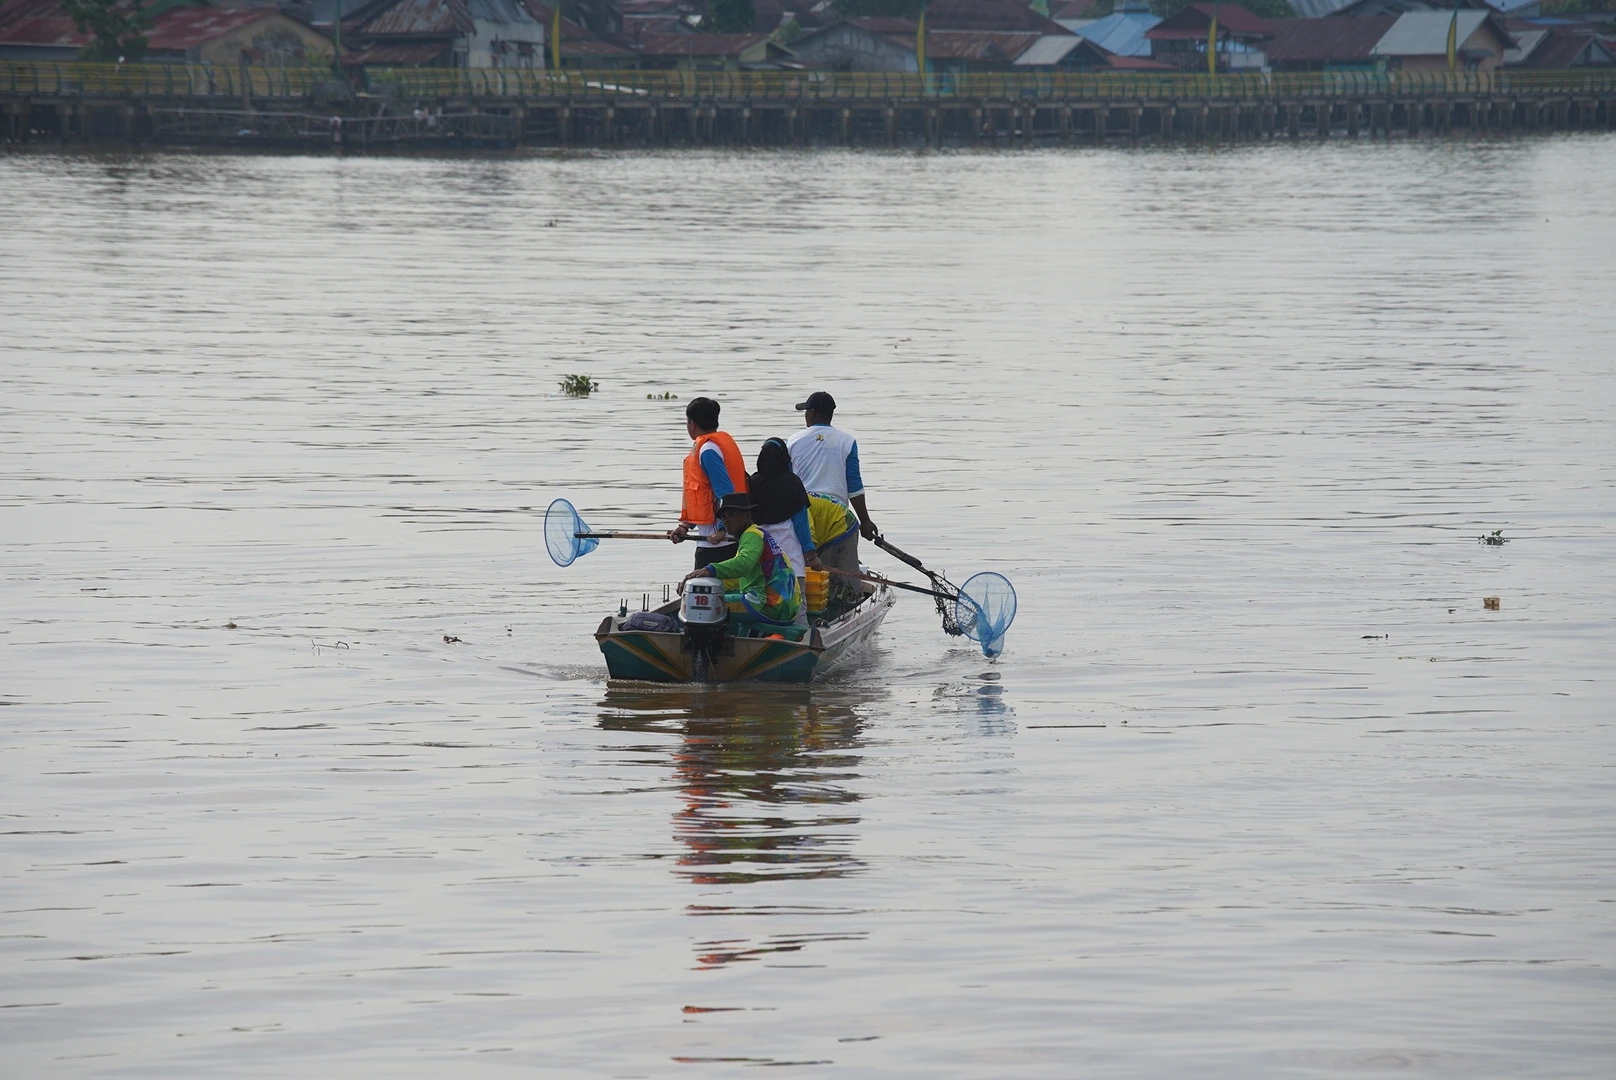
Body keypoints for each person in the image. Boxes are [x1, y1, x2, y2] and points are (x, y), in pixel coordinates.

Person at [787, 391, 878, 573]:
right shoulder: (847, 441)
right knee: (844, 579)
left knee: (807, 573)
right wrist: (865, 521)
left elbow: (788, 484)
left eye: (806, 411)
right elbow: (854, 487)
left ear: (811, 413)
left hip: (804, 516)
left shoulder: (793, 441)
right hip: (837, 518)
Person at [681, 493, 802, 628]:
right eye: (724, 517)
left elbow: (743, 564)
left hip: (771, 604)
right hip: (784, 605)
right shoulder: (756, 534)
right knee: (712, 595)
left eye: (732, 515)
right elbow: (739, 575)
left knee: (709, 603)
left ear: (748, 516)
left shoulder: (752, 535)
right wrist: (702, 583)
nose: (726, 521)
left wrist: (709, 570)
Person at [668, 397, 748, 570]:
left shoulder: (708, 451)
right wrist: (685, 526)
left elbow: (726, 493)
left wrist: (722, 529)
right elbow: (704, 496)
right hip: (716, 539)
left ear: (692, 424)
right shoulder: (716, 445)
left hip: (718, 545)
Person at [748, 438, 814, 624]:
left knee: (763, 602)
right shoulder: (792, 482)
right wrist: (810, 554)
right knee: (796, 602)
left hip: (760, 553)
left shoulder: (753, 482)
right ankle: (800, 639)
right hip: (789, 552)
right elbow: (801, 524)